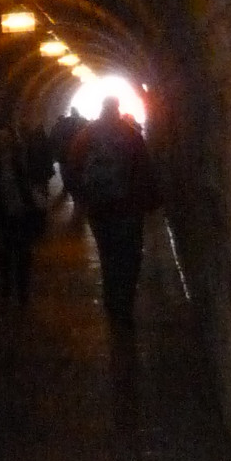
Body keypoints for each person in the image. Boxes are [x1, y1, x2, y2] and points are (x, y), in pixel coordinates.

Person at [64, 105, 159, 326]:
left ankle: (111, 300)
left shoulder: (86, 134)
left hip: (100, 210)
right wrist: (150, 202)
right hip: (128, 209)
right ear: (116, 109)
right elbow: (144, 170)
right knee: (130, 257)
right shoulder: (131, 134)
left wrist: (83, 198)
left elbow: (72, 167)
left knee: (108, 256)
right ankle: (124, 306)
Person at [0, 122, 47, 306]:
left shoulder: (20, 162)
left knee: (23, 255)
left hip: (22, 214)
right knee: (4, 256)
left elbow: (29, 186)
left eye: (7, 139)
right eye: (1, 139)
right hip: (1, 216)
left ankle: (22, 293)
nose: (4, 143)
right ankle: (6, 289)